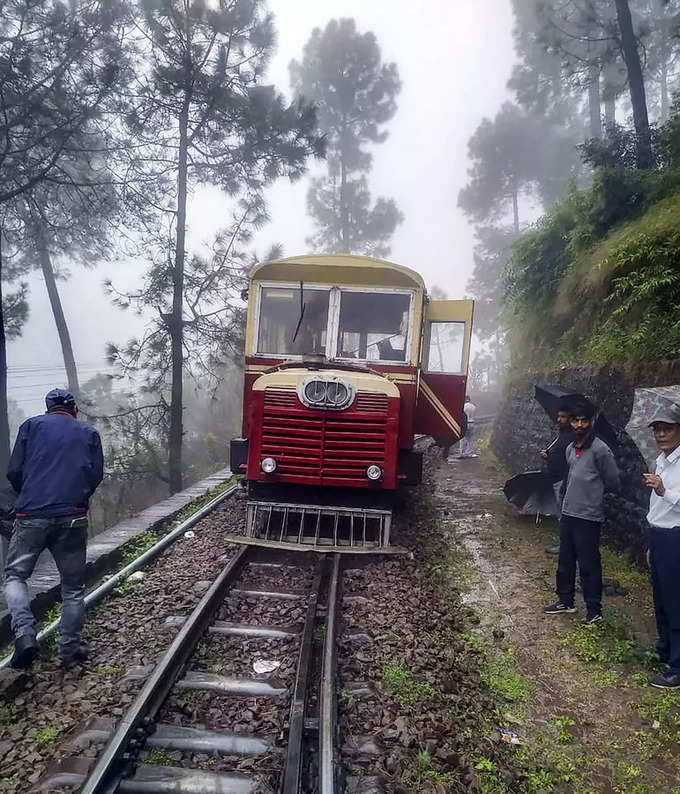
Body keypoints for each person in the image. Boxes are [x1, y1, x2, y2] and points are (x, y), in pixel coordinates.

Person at [4, 389, 104, 669]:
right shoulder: (89, 433)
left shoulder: (30, 427)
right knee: (72, 588)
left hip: (31, 515)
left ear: (48, 409)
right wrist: (78, 496)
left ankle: (24, 634)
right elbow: (95, 474)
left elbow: (14, 472)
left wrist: (31, 494)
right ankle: (70, 650)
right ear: (72, 409)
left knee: (15, 576)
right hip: (72, 517)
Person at [543, 400, 619, 624]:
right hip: (568, 513)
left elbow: (613, 480)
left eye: (583, 420)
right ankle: (565, 601)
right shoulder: (569, 449)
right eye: (575, 420)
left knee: (589, 565)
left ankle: (594, 611)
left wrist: (593, 495)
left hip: (588, 517)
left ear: (590, 422)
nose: (578, 425)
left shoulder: (600, 450)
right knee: (565, 561)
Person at [643, 402, 680, 689]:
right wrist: (651, 543)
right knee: (661, 598)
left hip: (675, 538)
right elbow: (656, 507)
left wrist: (664, 490)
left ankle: (677, 667)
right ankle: (665, 652)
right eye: (657, 429)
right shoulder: (660, 460)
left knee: (675, 600)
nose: (660, 434)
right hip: (659, 536)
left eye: (667, 428)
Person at [539, 404, 576, 553]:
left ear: (570, 419)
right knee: (561, 513)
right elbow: (559, 454)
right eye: (559, 416)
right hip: (555, 479)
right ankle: (565, 543)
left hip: (563, 480)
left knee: (563, 514)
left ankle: (565, 546)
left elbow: (570, 460)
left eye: (563, 417)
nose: (559, 419)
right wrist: (548, 456)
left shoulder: (571, 437)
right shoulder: (562, 435)